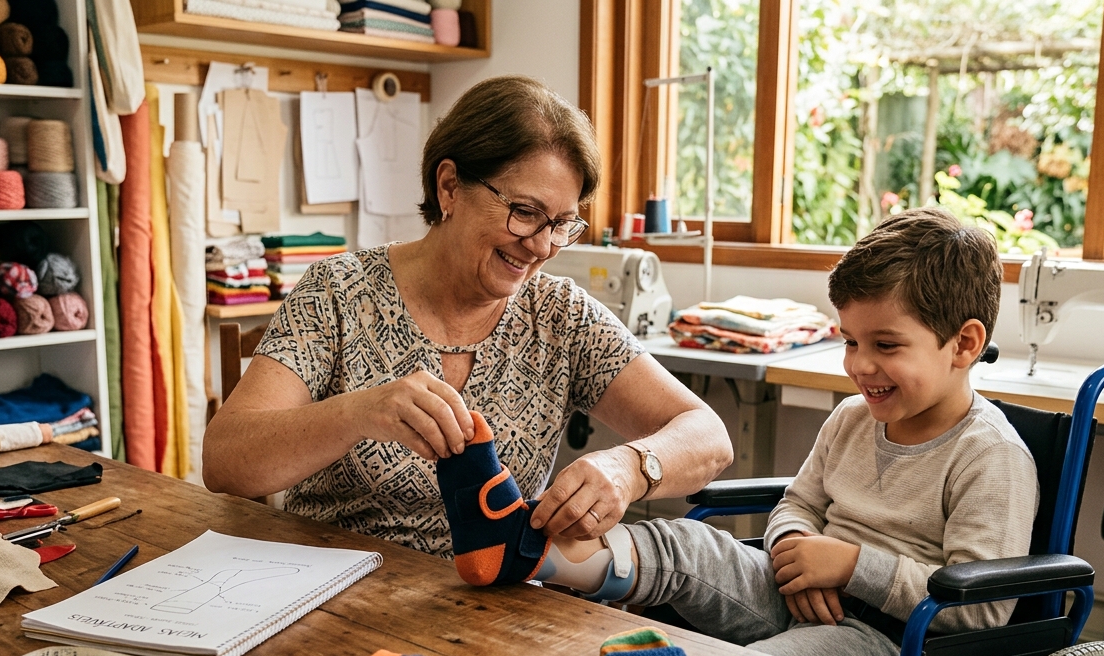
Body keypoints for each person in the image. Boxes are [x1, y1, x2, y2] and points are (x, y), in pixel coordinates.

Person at [449, 207, 1038, 656]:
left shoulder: (990, 456)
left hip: (887, 638)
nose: (859, 365)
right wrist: (796, 548)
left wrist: (848, 566)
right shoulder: (853, 419)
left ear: (963, 345)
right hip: (798, 585)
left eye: (885, 345)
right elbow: (798, 504)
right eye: (850, 340)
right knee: (684, 543)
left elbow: (977, 611)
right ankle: (521, 552)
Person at [202, 75, 733, 557]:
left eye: (562, 223)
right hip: (329, 588)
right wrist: (359, 413)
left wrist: (631, 468)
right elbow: (225, 462)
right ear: (450, 186)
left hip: (492, 601)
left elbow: (709, 437)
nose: (542, 245)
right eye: (525, 212)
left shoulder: (560, 317)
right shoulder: (338, 293)